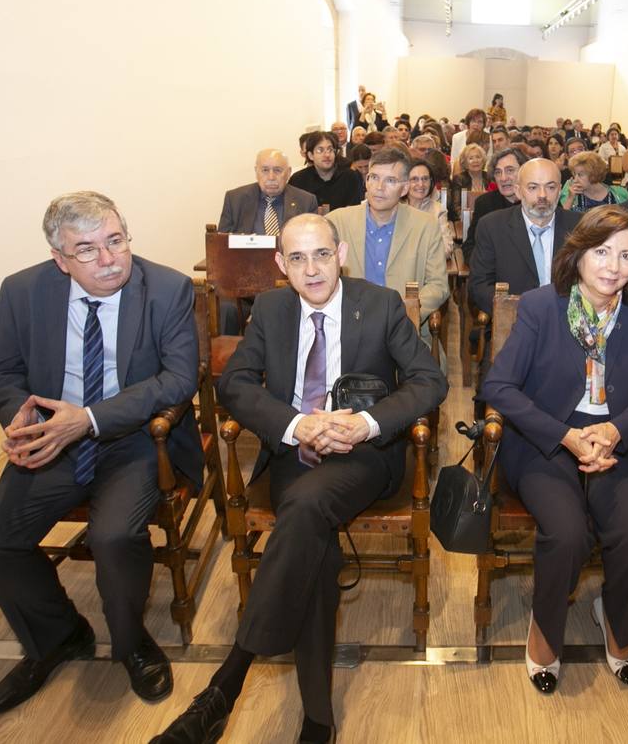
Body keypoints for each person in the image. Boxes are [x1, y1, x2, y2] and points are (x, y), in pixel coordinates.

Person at [152, 214, 447, 744]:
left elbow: (429, 381)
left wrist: (363, 424)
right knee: (315, 549)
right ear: (279, 265)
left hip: (365, 457)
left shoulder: (378, 305)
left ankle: (227, 683)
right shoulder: (269, 309)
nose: (311, 269)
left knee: (306, 512)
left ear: (341, 255)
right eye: (297, 258)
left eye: (321, 255)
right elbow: (237, 384)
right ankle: (318, 718)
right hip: (295, 454)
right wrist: (296, 425)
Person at [0, 192, 199, 715]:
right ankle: (58, 634)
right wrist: (18, 412)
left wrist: (88, 420)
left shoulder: (166, 288)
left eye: (116, 241)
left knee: (115, 535)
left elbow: (179, 380)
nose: (110, 259)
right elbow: (1, 373)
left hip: (134, 439)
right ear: (59, 258)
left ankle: (131, 642)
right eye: (87, 250)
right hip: (52, 440)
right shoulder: (22, 292)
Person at [480, 206, 628, 695]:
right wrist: (566, 436)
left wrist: (616, 429)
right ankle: (546, 628)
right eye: (603, 251)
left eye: (627, 255)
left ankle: (614, 617)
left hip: (614, 441)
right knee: (566, 532)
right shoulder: (544, 306)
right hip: (545, 443)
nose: (613, 266)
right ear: (580, 253)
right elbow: (498, 387)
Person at [326, 149, 449, 335]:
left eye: (390, 180)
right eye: (373, 177)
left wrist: (405, 314)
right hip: (348, 330)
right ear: (366, 181)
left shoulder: (425, 225)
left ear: (405, 188)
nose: (379, 187)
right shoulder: (336, 221)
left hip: (403, 329)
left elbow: (438, 285)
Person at [468, 159, 579, 318]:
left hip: (566, 323)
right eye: (533, 187)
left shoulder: (579, 227)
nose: (542, 195)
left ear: (560, 190)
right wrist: (514, 310)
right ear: (518, 191)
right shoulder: (492, 227)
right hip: (512, 325)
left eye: (551, 187)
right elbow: (479, 286)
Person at [218, 149, 319, 235]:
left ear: (288, 173)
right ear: (256, 172)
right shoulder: (235, 199)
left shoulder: (306, 201)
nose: (271, 177)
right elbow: (221, 244)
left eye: (277, 170)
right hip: (244, 257)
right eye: (265, 170)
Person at [463, 147, 529, 260]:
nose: (503, 178)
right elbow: (470, 247)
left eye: (510, 170)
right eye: (498, 172)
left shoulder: (538, 202)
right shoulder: (484, 204)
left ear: (525, 172)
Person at [290, 132, 365, 212]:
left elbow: (354, 211)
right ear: (311, 155)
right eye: (320, 150)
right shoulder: (298, 180)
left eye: (330, 149)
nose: (327, 155)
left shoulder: (349, 176)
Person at [405, 157, 454, 258]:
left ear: (431, 182)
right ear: (405, 182)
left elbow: (447, 248)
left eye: (425, 179)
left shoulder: (438, 210)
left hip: (428, 269)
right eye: (414, 179)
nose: (421, 184)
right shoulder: (394, 208)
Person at [562, 151, 628, 213]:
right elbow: (563, 221)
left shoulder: (620, 194)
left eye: (580, 175)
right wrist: (570, 199)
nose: (576, 179)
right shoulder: (571, 193)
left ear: (594, 174)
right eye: (574, 174)